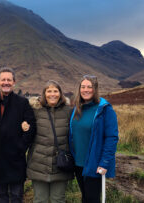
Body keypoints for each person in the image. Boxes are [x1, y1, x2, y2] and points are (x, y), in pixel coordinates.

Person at [0, 67, 36, 203]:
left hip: (16, 160)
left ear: (14, 82)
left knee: (16, 197)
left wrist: (20, 147)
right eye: (3, 80)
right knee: (0, 197)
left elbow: (31, 128)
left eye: (9, 80)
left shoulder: (22, 103)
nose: (6, 82)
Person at [69, 75, 119, 203]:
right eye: (83, 87)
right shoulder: (77, 108)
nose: (86, 90)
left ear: (95, 89)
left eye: (89, 87)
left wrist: (104, 163)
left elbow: (111, 138)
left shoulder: (105, 109)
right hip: (78, 163)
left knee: (92, 199)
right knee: (85, 197)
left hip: (94, 163)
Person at [25, 80, 73, 203]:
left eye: (55, 91)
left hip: (61, 165)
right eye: (49, 91)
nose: (52, 94)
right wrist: (23, 125)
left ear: (60, 94)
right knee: (40, 199)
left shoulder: (69, 111)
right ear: (44, 94)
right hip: (38, 164)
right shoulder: (35, 110)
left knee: (58, 199)